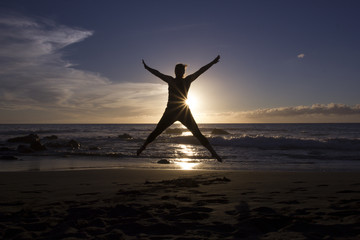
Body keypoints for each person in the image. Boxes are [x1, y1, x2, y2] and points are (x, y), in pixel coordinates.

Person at [137, 55, 222, 162]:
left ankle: (213, 153)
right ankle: (143, 147)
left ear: (183, 72)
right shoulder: (170, 80)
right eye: (176, 70)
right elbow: (158, 73)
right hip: (170, 112)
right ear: (174, 71)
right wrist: (147, 68)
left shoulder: (187, 80)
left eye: (180, 70)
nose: (177, 72)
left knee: (197, 133)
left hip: (183, 111)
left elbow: (201, 70)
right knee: (157, 131)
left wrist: (212, 62)